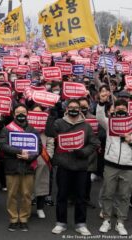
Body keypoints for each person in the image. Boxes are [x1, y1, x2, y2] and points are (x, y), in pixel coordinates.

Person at [46, 99, 99, 236]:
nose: (74, 109)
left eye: (76, 107)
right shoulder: (59, 123)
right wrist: (51, 115)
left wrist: (83, 152)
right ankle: (61, 223)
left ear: (80, 110)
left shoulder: (86, 126)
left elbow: (94, 143)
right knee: (62, 196)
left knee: (81, 197)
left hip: (81, 166)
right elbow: (49, 132)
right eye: (71, 107)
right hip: (63, 165)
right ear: (66, 109)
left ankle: (80, 224)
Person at [0, 104, 42, 232]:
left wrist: (28, 157)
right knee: (11, 194)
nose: (21, 115)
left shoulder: (33, 130)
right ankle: (13, 219)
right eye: (18, 112)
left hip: (28, 167)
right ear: (14, 114)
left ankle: (23, 218)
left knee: (26, 194)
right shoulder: (7, 129)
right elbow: (2, 145)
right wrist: (19, 151)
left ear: (27, 114)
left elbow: (38, 148)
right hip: (12, 166)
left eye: (23, 112)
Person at [96, 93, 132, 236]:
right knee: (108, 193)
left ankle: (121, 222)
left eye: (124, 108)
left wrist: (130, 140)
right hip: (111, 164)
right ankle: (106, 220)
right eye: (119, 109)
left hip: (128, 166)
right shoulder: (109, 122)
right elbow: (99, 117)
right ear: (114, 110)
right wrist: (101, 102)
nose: (121, 110)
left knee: (124, 196)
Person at [30, 105, 54, 219]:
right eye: (35, 113)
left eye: (40, 114)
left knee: (42, 185)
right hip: (28, 160)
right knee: (27, 186)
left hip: (42, 160)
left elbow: (50, 143)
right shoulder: (27, 128)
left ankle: (40, 208)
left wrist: (48, 156)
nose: (37, 116)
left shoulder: (47, 129)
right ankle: (27, 208)